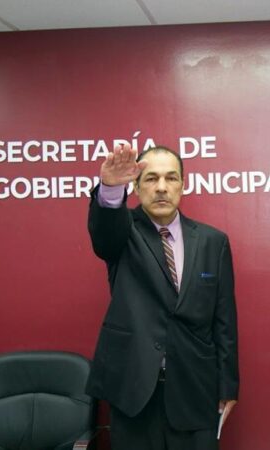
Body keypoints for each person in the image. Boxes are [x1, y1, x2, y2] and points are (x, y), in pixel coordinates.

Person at [85, 144, 239, 450]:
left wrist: (228, 385)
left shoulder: (213, 241)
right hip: (134, 390)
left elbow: (224, 320)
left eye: (171, 178)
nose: (161, 188)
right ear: (137, 187)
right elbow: (103, 234)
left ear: (183, 184)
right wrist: (110, 189)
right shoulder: (123, 233)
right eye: (151, 179)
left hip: (196, 389)